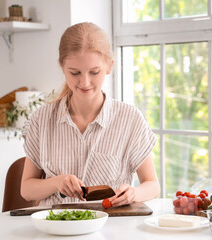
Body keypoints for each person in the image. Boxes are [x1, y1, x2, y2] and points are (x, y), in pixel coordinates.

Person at [20, 22, 160, 207]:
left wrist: (133, 194)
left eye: (94, 72)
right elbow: (27, 190)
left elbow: (153, 185)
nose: (84, 82)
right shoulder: (42, 119)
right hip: (55, 228)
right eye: (75, 72)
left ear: (109, 66)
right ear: (62, 67)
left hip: (111, 227)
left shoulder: (130, 118)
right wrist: (57, 181)